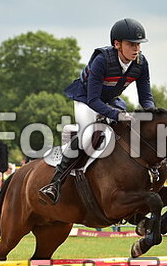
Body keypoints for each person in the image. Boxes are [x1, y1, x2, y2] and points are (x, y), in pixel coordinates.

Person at [39, 18, 155, 204]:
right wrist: (117, 115)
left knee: (127, 131)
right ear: (117, 44)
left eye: (139, 44)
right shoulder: (102, 60)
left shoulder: (141, 63)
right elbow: (93, 100)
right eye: (131, 44)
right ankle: (55, 183)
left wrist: (153, 115)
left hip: (111, 100)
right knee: (87, 136)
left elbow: (145, 97)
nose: (137, 49)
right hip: (86, 100)